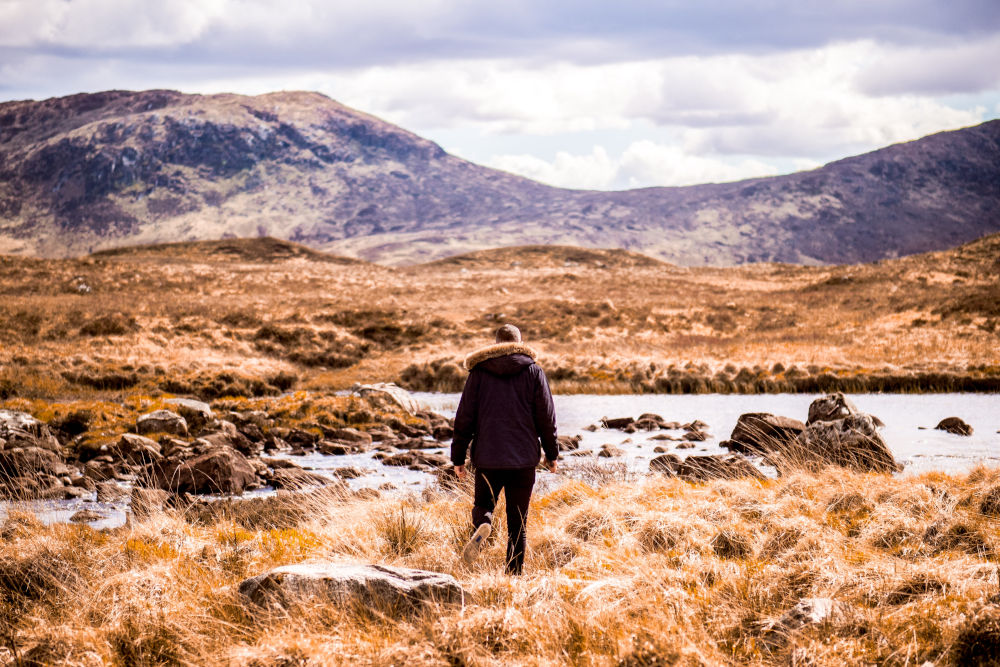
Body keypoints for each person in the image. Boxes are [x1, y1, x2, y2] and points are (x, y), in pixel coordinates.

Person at [451, 324, 559, 574]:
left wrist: (458, 457)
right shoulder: (534, 371)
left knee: (484, 504)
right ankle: (513, 575)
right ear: (520, 343)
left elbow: (464, 418)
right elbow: (547, 418)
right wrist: (551, 454)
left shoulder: (478, 373)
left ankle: (484, 522)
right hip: (523, 461)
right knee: (518, 523)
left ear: (495, 344)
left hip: (488, 458)